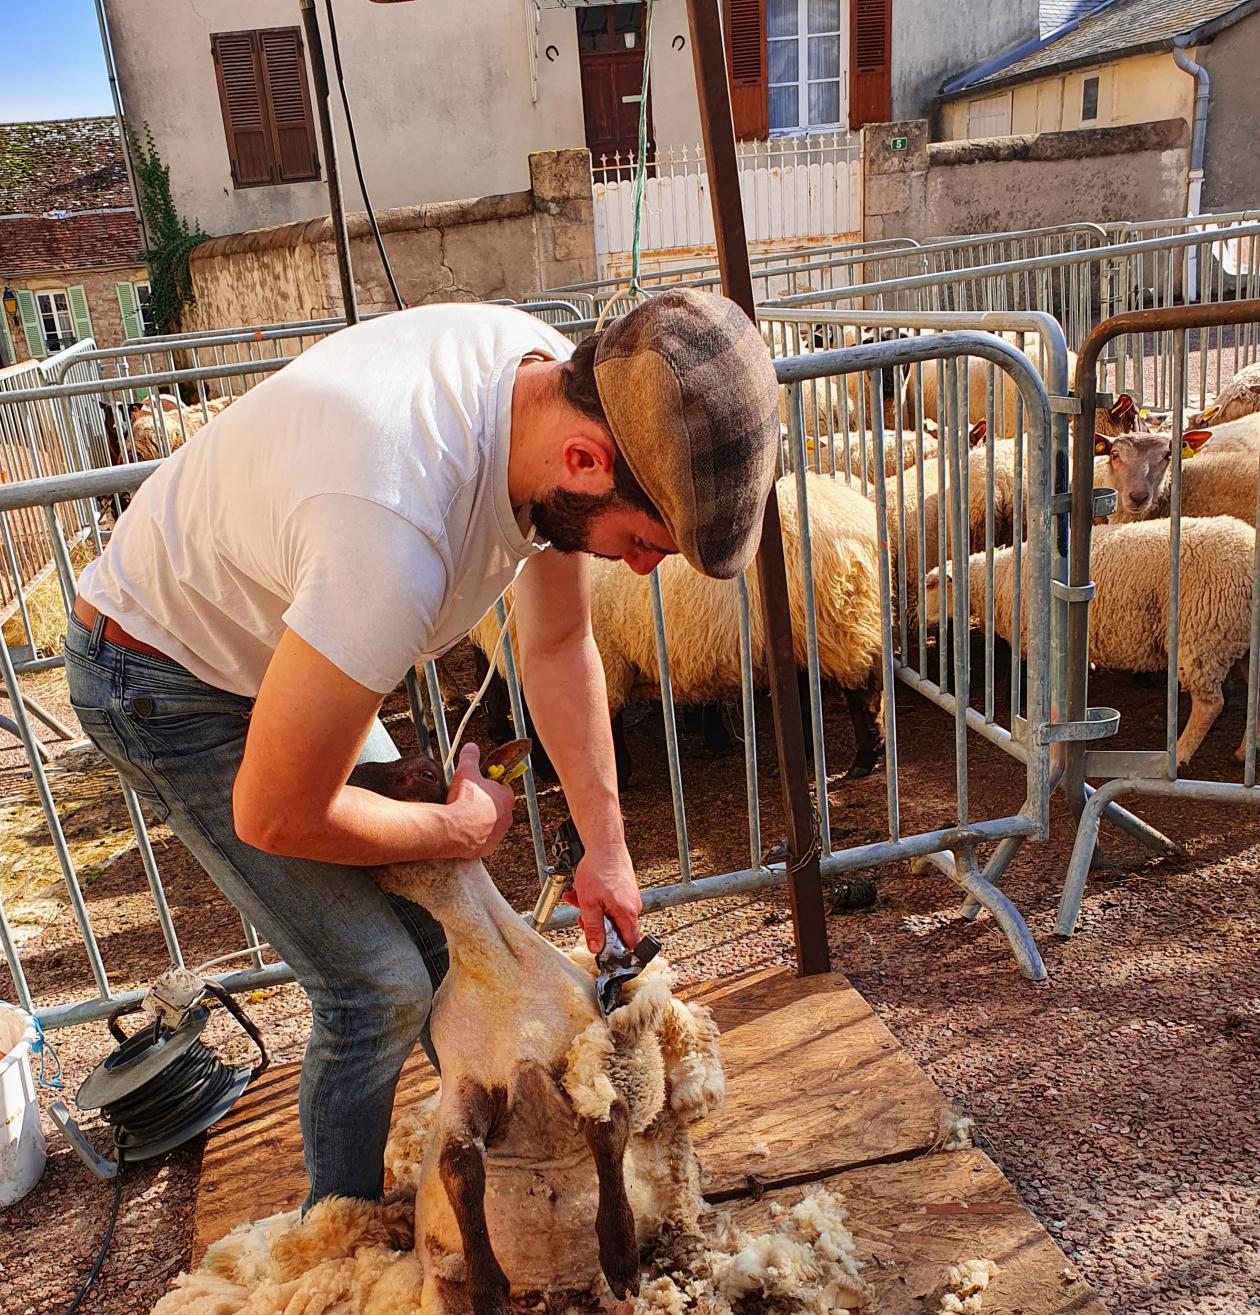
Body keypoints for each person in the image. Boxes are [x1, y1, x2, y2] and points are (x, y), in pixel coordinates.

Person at [66, 289, 780, 1205]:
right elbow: (278, 810)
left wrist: (607, 851)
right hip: (160, 674)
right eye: (643, 542)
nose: (642, 569)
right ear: (585, 460)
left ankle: (521, 1180)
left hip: (282, 634)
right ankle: (340, 1243)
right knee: (378, 990)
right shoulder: (393, 532)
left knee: (448, 941)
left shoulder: (557, 393)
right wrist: (458, 830)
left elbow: (558, 644)